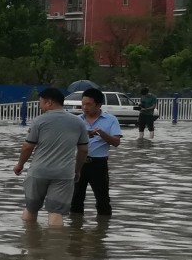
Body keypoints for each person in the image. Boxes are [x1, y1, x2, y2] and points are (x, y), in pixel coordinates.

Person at [14, 87, 89, 227]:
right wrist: (77, 170)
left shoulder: (39, 121)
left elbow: (27, 147)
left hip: (39, 172)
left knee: (31, 208)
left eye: (41, 103)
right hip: (64, 174)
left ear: (49, 103)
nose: (39, 106)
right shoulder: (78, 122)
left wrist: (20, 165)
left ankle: (30, 241)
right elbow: (83, 150)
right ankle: (56, 246)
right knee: (56, 212)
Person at [73, 87, 122, 215]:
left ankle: (103, 230)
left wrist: (102, 134)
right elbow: (69, 141)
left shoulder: (111, 120)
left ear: (98, 105)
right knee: (75, 199)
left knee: (103, 200)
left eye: (88, 104)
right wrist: (86, 135)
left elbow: (116, 142)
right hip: (79, 163)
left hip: (99, 164)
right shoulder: (77, 120)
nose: (85, 107)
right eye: (83, 104)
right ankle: (75, 230)